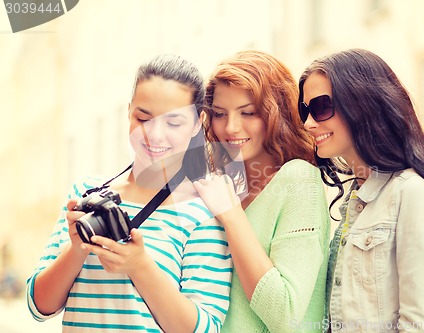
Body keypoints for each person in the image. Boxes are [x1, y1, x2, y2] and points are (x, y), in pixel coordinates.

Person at [27, 54, 232, 332]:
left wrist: (140, 267)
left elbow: (205, 328)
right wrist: (76, 248)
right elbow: (38, 306)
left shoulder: (203, 213)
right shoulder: (87, 193)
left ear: (198, 123)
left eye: (173, 123)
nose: (155, 135)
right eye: (143, 117)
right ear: (128, 112)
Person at [297, 48, 424, 333]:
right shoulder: (354, 201)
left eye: (321, 107)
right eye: (305, 110)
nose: (309, 123)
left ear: (362, 104)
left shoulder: (411, 194)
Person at [193, 50, 331, 333]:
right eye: (219, 114)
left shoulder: (299, 180)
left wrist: (232, 217)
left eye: (248, 113)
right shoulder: (222, 187)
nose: (231, 128)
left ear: (276, 113)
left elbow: (287, 313)